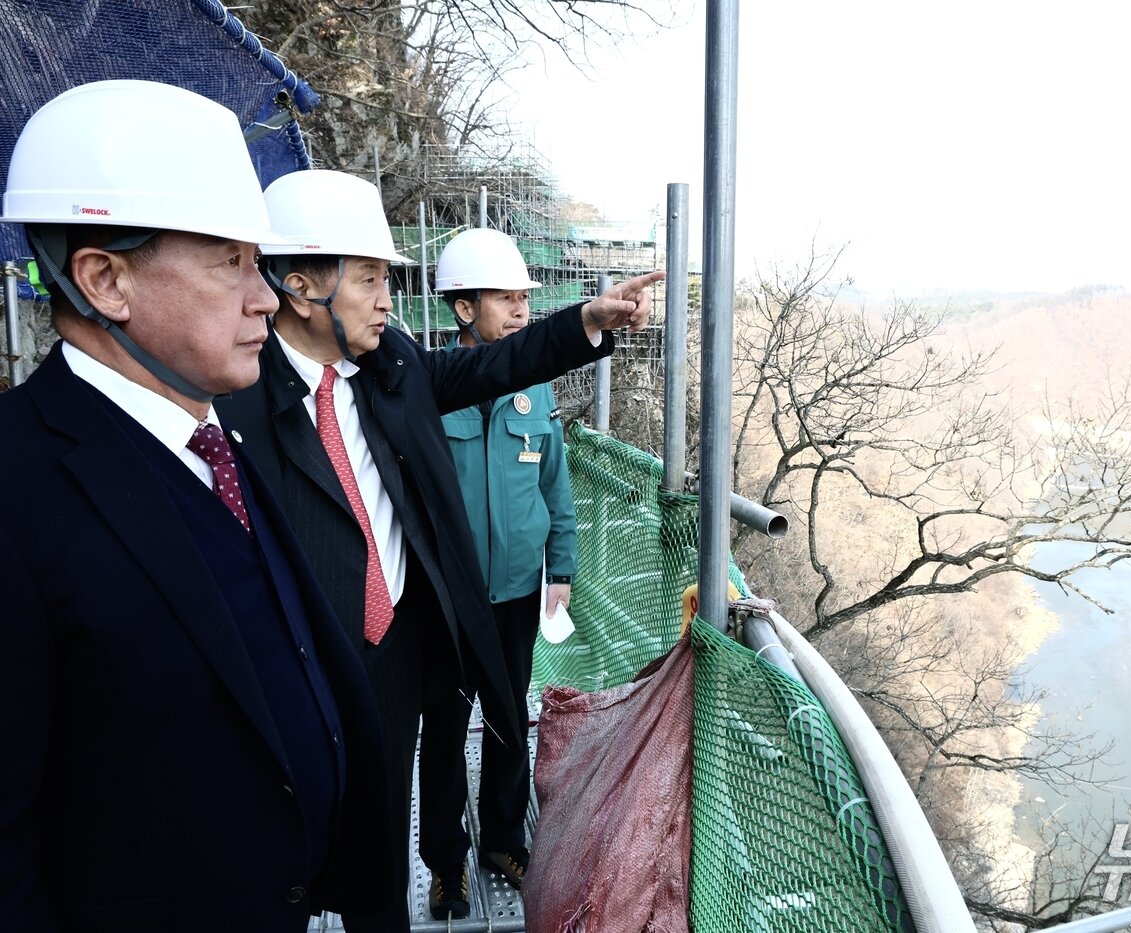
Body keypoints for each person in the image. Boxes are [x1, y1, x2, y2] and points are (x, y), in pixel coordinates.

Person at [213, 169, 662, 930]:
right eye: (368, 277)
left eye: (387, 276)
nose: (387, 297)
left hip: (397, 649)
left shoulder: (392, 369)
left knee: (382, 845)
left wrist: (586, 318)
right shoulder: (234, 402)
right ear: (297, 286)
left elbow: (497, 365)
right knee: (288, 845)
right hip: (300, 666)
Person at [0, 81, 393, 932]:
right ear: (106, 279)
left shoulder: (209, 436)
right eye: (230, 262)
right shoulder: (17, 488)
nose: (265, 296)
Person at [428, 229, 578, 904]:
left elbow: (557, 485)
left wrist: (561, 569)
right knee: (442, 722)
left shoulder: (536, 392)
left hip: (517, 590)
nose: (522, 311)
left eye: (526, 299)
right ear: (465, 309)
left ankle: (503, 840)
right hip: (445, 598)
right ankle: (443, 860)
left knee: (507, 719)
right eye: (507, 299)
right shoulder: (427, 390)